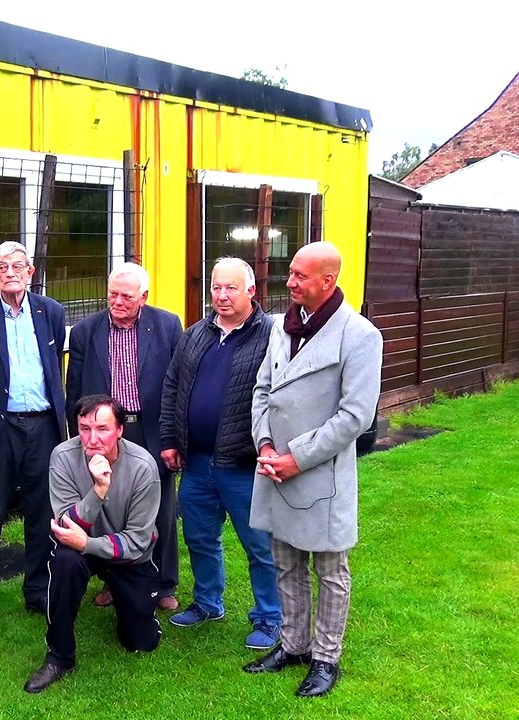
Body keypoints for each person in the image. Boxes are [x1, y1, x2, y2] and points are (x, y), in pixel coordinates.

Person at [244, 241, 382, 699]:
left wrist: (296, 457)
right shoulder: (283, 328)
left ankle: (326, 658)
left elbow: (355, 417)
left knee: (330, 571)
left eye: (300, 275)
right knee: (285, 566)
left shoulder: (359, 336)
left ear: (328, 280)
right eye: (291, 273)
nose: (290, 282)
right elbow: (263, 390)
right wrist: (264, 443)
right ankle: (293, 644)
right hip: (275, 469)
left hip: (318, 476)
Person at [158, 257, 282, 651]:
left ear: (251, 291)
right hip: (195, 462)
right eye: (216, 287)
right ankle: (208, 603)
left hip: (244, 464)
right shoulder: (194, 335)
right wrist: (170, 439)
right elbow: (172, 388)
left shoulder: (271, 336)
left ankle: (269, 617)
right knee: (199, 538)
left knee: (259, 546)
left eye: (231, 288)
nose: (222, 295)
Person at [0, 240, 67, 631]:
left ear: (31, 272)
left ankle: (37, 588)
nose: (11, 273)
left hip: (43, 426)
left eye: (18, 266)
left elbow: (53, 366)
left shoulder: (51, 312)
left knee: (42, 512)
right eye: (3, 267)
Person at [23, 394, 162, 693]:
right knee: (65, 561)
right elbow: (65, 524)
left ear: (120, 430)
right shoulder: (63, 456)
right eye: (84, 428)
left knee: (141, 643)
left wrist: (88, 543)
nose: (92, 438)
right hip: (80, 546)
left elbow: (138, 542)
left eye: (102, 429)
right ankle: (59, 657)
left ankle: (126, 598)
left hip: (127, 556)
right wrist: (99, 490)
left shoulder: (143, 468)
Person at [65, 262, 183, 611]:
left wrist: (172, 438)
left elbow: (178, 387)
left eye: (126, 296)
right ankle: (116, 582)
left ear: (143, 297)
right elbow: (74, 392)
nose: (117, 301)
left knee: (160, 509)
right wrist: (84, 438)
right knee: (110, 510)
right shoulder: (86, 331)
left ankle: (164, 584)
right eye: (112, 294)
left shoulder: (167, 326)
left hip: (150, 429)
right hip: (106, 433)